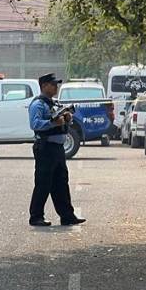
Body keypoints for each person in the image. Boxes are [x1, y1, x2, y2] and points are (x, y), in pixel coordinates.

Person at [28, 73, 86, 227]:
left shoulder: (54, 103)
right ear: (44, 86)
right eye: (53, 84)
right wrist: (53, 122)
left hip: (58, 148)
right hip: (45, 147)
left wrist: (67, 118)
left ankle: (67, 216)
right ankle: (36, 216)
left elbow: (64, 121)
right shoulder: (38, 105)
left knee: (61, 183)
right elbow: (35, 124)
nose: (56, 87)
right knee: (43, 183)